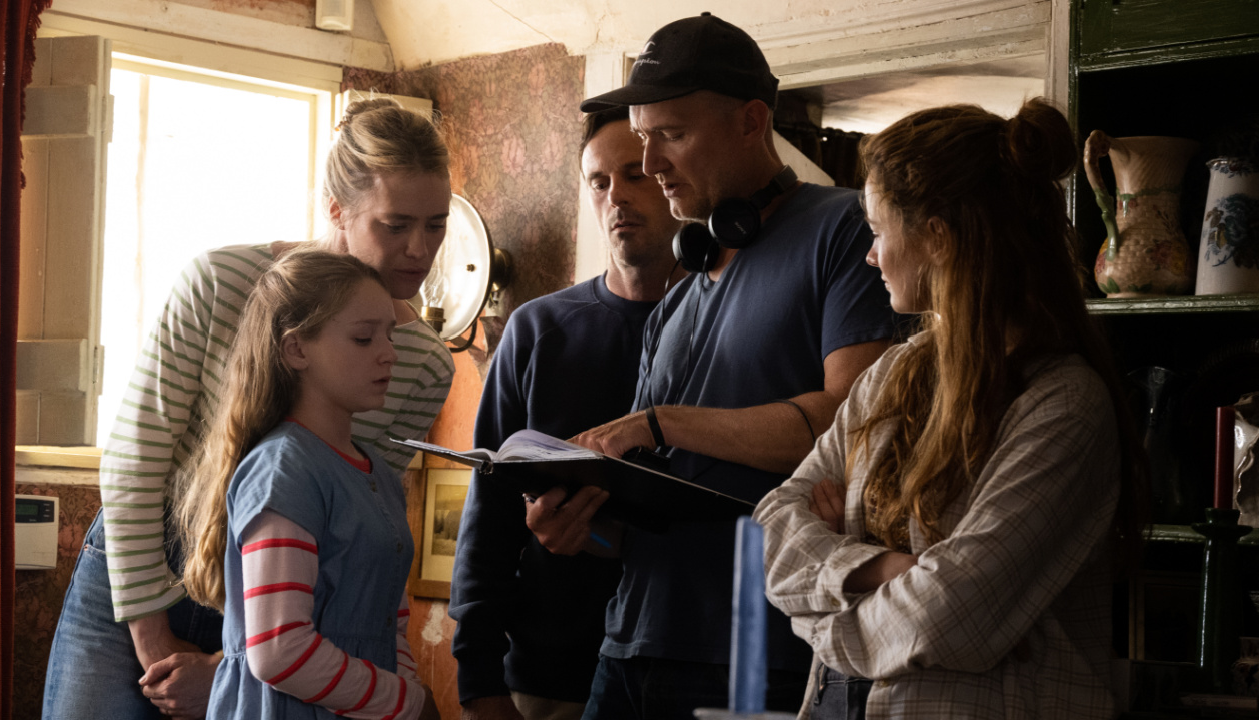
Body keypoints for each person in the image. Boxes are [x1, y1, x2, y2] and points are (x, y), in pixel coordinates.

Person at [526, 13, 900, 719]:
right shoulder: (680, 290)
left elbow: (858, 422)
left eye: (671, 134)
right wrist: (578, 527)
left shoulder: (843, 229)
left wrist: (663, 422)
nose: (653, 160)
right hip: (628, 643)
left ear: (752, 120)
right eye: (643, 136)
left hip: (757, 651)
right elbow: (663, 504)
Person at [42, 98, 456, 720]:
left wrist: (228, 666)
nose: (419, 250)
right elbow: (136, 460)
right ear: (337, 209)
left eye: (437, 225)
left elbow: (363, 525)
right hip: (146, 567)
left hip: (286, 598)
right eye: (395, 226)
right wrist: (154, 641)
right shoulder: (218, 282)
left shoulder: (420, 365)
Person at [754, 99, 1147, 719]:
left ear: (937, 237)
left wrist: (823, 614)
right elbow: (776, 524)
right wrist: (880, 567)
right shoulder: (891, 373)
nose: (869, 255)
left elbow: (951, 614)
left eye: (878, 232)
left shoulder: (1065, 405)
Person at [449, 106, 686, 720]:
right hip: (546, 673)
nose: (617, 199)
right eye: (599, 182)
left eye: (634, 175)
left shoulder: (725, 324)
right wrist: (477, 679)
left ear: (671, 176)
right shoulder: (538, 328)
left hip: (691, 668)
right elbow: (490, 509)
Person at [174, 249, 440, 720]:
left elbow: (390, 626)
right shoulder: (285, 469)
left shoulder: (378, 473)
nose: (389, 352)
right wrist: (406, 702)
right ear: (296, 349)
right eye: (363, 338)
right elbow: (280, 649)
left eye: (390, 334)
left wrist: (405, 695)